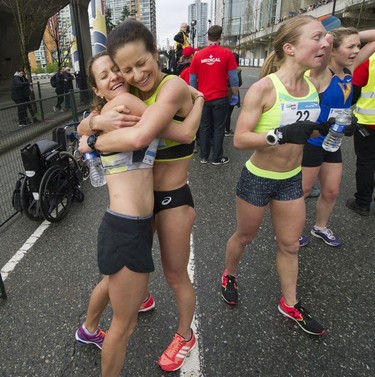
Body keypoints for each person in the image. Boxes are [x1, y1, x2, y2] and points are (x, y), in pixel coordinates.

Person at [77, 19, 204, 376]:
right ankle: (92, 326)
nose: (131, 74)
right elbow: (161, 132)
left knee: (175, 276)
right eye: (123, 69)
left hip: (172, 199)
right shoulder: (128, 100)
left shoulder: (167, 87)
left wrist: (92, 133)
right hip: (134, 215)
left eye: (139, 63)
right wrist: (91, 130)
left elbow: (158, 132)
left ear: (156, 53)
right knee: (119, 288)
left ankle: (184, 335)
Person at [220, 15, 331, 336]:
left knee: (290, 244)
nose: (325, 43)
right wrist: (280, 135)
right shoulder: (264, 88)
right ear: (290, 48)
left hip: (291, 180)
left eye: (326, 38)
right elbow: (240, 139)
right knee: (245, 237)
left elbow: (302, 129)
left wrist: (323, 128)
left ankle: (290, 303)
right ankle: (229, 273)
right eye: (317, 37)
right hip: (258, 178)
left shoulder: (311, 85)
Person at [302, 27, 375, 244]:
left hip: (333, 142)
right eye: (350, 46)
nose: (356, 50)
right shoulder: (319, 71)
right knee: (303, 192)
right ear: (332, 50)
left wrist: (352, 35)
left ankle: (320, 227)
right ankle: (290, 231)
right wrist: (333, 36)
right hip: (311, 142)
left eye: (358, 46)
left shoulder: (350, 68)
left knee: (332, 191)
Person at [190, 25, 239, 165]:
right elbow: (234, 78)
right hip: (220, 97)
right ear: (220, 37)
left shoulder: (198, 55)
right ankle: (217, 157)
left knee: (204, 127)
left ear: (208, 37)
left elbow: (192, 79)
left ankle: (204, 157)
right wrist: (235, 95)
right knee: (219, 128)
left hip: (203, 98)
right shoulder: (227, 53)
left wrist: (195, 97)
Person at [346, 53, 375, 216]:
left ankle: (362, 203)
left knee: (366, 162)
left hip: (368, 123)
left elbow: (353, 96)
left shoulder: (370, 61)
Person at [224, 52, 242, 136]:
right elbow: (240, 83)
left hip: (223, 91)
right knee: (228, 113)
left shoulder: (223, 67)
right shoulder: (237, 70)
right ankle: (227, 130)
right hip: (232, 92)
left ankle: (222, 129)